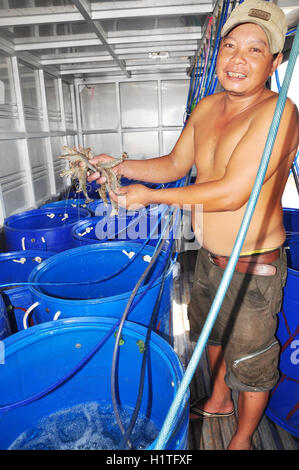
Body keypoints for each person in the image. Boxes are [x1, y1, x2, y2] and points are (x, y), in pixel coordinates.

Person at [88, 0, 299, 450]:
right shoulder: (207, 106)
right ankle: (220, 400)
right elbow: (173, 165)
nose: (237, 59)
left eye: (255, 50)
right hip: (208, 258)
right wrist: (119, 166)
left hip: (253, 266)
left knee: (253, 360)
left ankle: (242, 438)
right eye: (229, 45)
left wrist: (149, 197)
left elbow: (230, 192)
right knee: (213, 338)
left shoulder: (278, 113)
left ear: (276, 61)